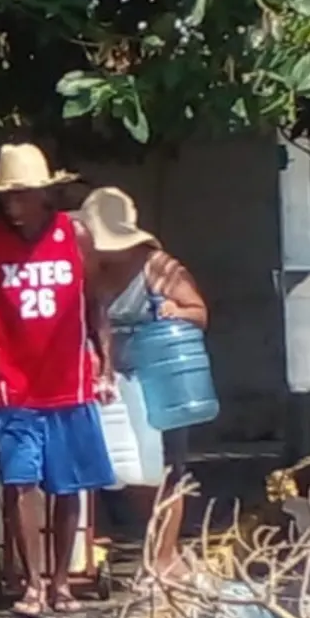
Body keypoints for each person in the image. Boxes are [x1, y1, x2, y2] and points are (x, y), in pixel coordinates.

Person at [0, 145, 117, 618]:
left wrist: (104, 366)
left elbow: (95, 307)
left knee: (67, 486)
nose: (13, 205)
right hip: (12, 384)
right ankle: (30, 585)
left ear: (44, 195)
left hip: (68, 379)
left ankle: (60, 584)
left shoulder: (74, 235)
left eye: (23, 195)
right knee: (19, 483)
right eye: (7, 196)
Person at [79, 186, 208, 581]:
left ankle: (164, 557)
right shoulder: (88, 271)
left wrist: (176, 311)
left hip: (159, 381)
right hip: (111, 383)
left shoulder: (157, 268)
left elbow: (199, 312)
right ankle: (132, 548)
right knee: (120, 470)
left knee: (167, 470)